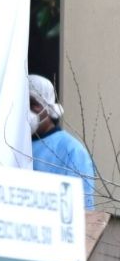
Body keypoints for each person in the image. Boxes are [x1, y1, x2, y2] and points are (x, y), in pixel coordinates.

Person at [28, 74, 95, 210]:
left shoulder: (71, 150)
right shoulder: (11, 145)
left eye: (32, 104)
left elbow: (80, 210)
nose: (25, 110)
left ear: (48, 107)